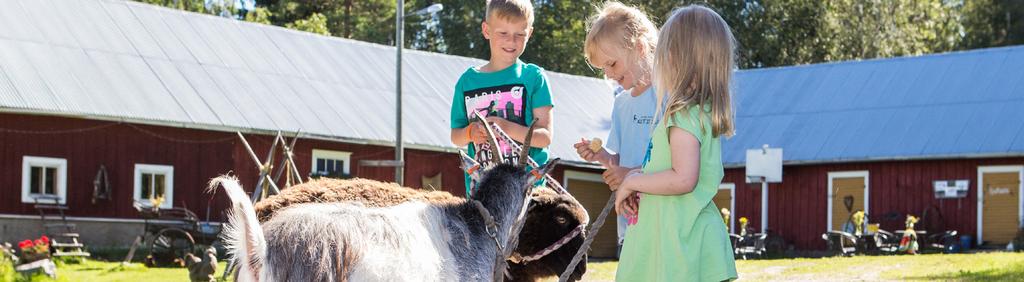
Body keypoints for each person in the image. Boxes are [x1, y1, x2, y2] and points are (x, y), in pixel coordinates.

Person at [615, 5, 739, 281]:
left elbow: (683, 179)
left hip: (677, 245)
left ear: (673, 57)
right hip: (677, 237)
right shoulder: (698, 112)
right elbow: (670, 171)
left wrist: (631, 182)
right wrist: (639, 177)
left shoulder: (683, 115)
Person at [572, 1, 659, 258]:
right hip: (631, 221)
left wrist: (629, 175)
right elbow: (619, 161)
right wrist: (602, 157)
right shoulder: (621, 103)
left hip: (664, 217)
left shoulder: (667, 98)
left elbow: (676, 164)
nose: (608, 75)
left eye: (612, 64)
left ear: (640, 48)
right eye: (603, 69)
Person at [449, 0, 555, 197]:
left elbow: (544, 137)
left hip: (528, 192)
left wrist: (503, 128)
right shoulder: (468, 81)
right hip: (483, 191)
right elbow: (456, 135)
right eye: (503, 33)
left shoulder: (534, 78)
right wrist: (470, 133)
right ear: (486, 30)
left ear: (529, 34)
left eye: (519, 35)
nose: (511, 41)